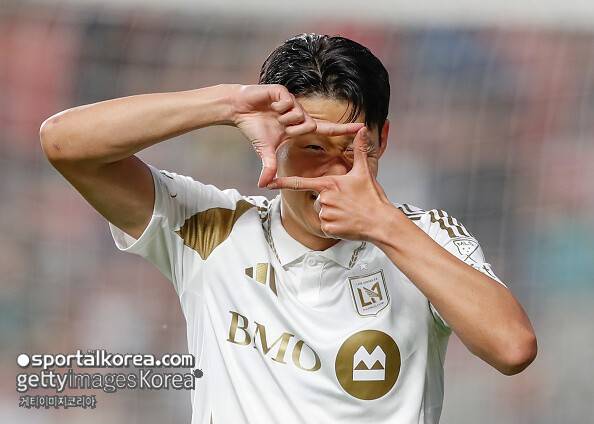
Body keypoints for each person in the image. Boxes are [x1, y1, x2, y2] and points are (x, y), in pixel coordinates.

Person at [39, 33, 537, 424]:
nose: (333, 174)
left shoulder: (423, 237)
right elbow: (63, 143)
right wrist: (226, 105)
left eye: (353, 151)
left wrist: (384, 226)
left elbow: (512, 348)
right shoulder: (213, 228)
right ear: (275, 141)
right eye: (313, 148)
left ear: (383, 140)